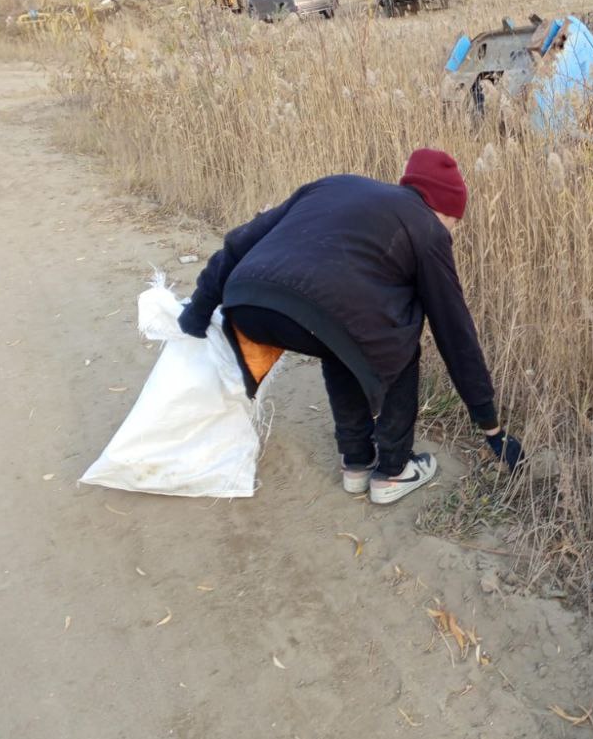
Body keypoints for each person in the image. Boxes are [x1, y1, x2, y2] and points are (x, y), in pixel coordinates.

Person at [178, 148, 523, 505]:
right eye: (455, 222)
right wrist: (490, 427)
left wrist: (197, 311)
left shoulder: (332, 185)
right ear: (442, 210)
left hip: (247, 303)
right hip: (303, 311)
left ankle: (356, 462)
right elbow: (455, 330)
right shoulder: (427, 229)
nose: (453, 232)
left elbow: (239, 242)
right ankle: (393, 470)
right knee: (397, 330)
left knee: (337, 335)